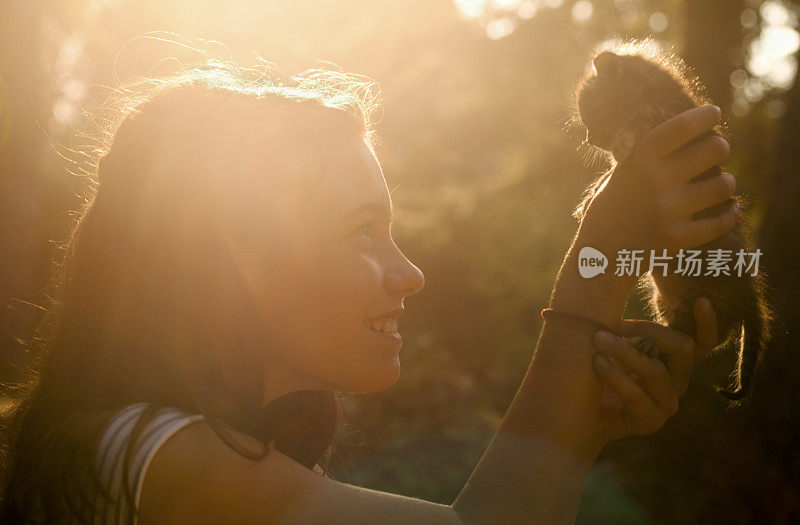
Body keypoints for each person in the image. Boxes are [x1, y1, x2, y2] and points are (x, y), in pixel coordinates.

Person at [0, 52, 733, 524]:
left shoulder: (217, 454)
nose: (409, 272)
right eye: (361, 231)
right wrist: (601, 250)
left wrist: (585, 422)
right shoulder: (153, 453)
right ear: (234, 254)